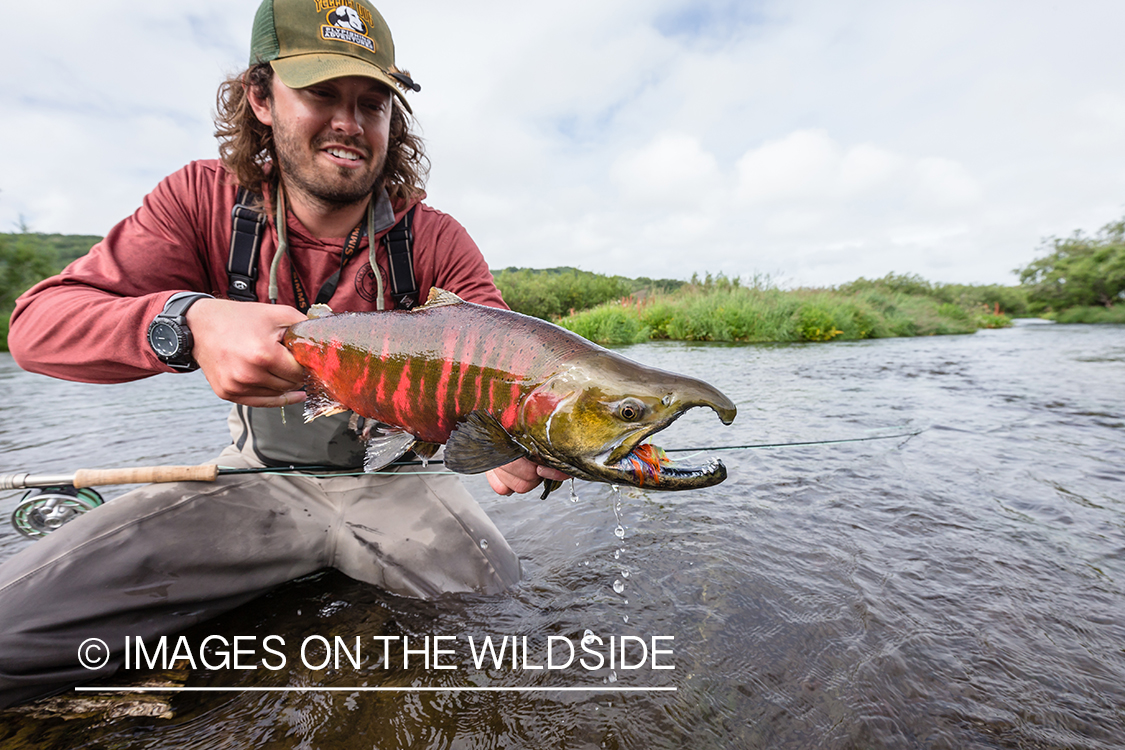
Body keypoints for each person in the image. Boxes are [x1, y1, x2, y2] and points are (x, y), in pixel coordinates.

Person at [0, 0, 566, 709]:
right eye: (322, 94)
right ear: (261, 99)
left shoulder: (435, 240)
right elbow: (38, 328)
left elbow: (509, 367)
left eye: (372, 102)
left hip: (402, 489)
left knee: (508, 640)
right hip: (257, 482)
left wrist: (520, 440)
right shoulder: (199, 201)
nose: (350, 123)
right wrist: (187, 320)